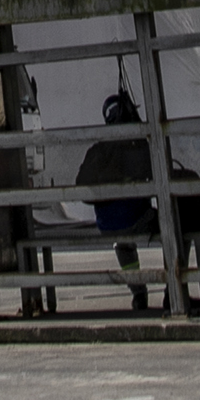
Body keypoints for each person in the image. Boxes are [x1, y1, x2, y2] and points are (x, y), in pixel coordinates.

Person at [74, 91, 158, 310]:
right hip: (138, 219)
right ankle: (175, 290)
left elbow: (81, 188)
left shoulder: (99, 149)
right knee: (176, 224)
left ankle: (138, 292)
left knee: (122, 240)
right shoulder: (139, 146)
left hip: (107, 225)